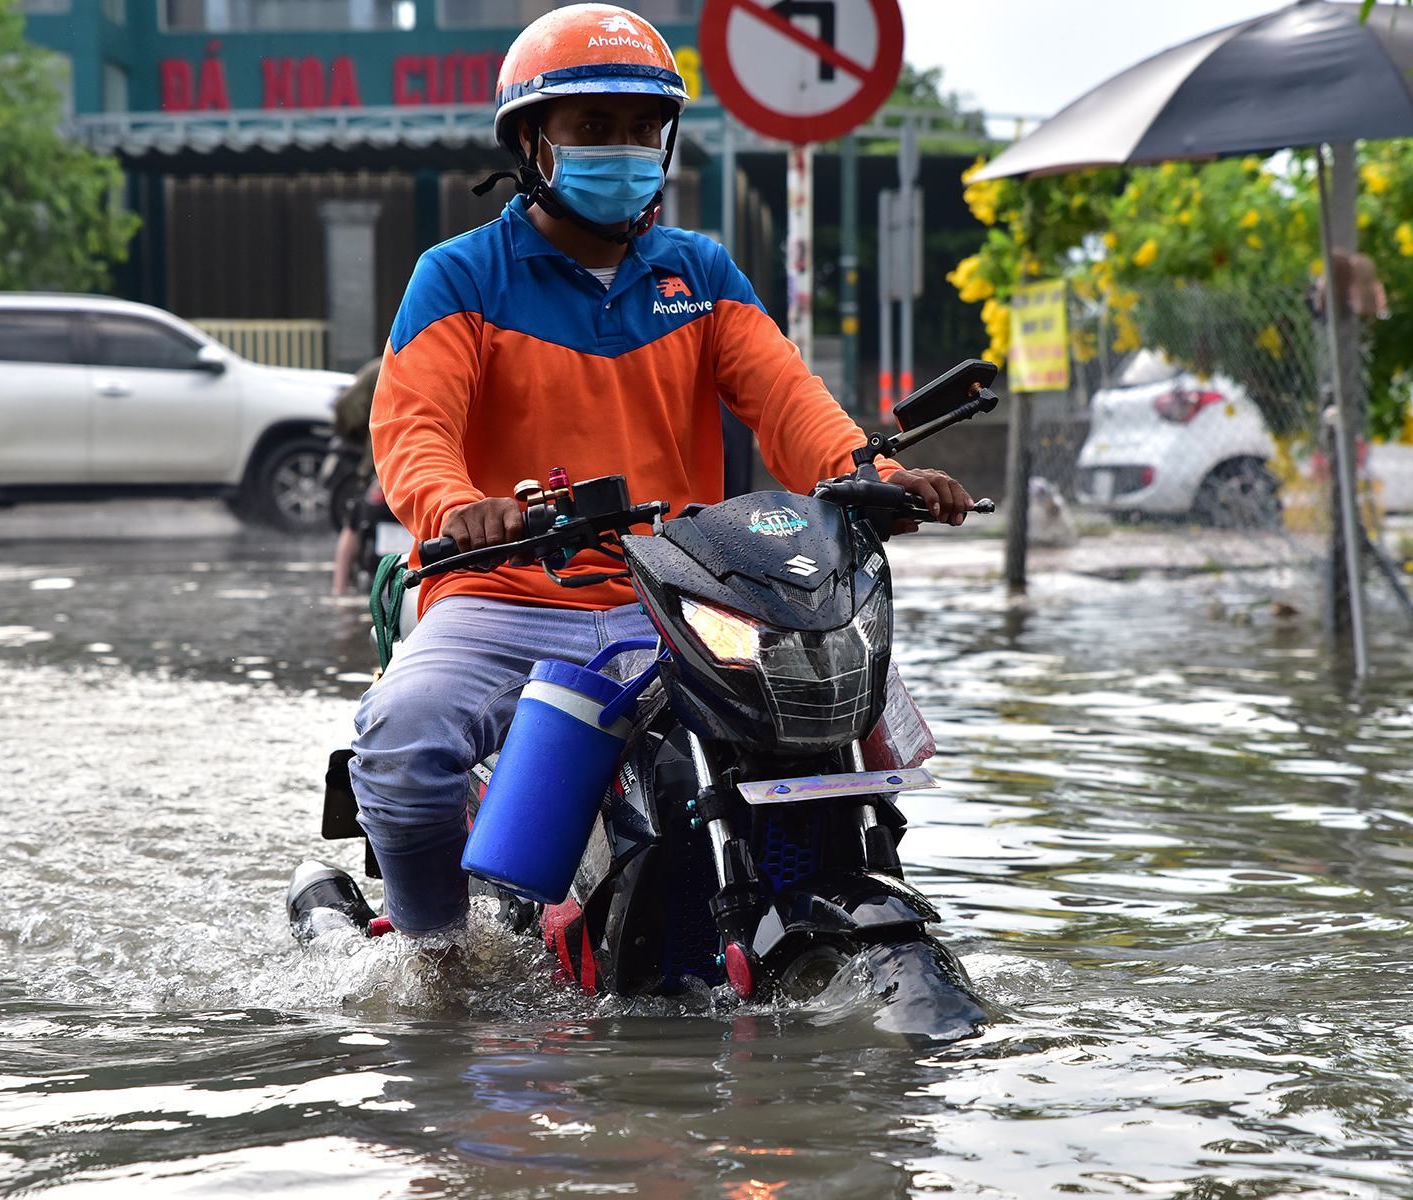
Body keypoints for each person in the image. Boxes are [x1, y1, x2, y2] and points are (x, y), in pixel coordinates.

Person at [337, 4, 971, 942]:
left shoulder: (702, 273)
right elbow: (414, 429)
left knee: (835, 713)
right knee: (401, 743)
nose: (624, 148)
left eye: (643, 128)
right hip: (504, 591)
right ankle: (437, 957)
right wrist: (459, 508)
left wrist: (869, 471)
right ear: (532, 142)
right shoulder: (460, 275)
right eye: (594, 127)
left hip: (675, 594)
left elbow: (790, 403)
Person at [330, 357, 382, 597]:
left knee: (352, 526)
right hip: (435, 472)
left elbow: (347, 409)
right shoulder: (451, 363)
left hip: (380, 469)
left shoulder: (380, 368)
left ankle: (339, 594)